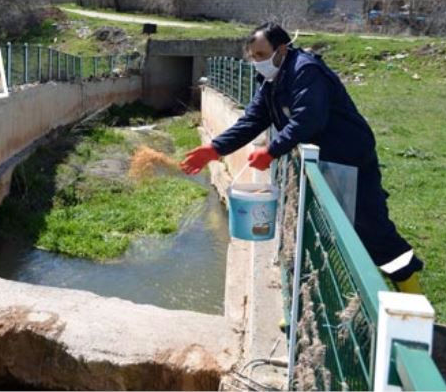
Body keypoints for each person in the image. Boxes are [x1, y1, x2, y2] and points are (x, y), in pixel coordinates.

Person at [180, 22, 424, 293]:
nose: (257, 62)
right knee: (321, 228)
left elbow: (308, 119)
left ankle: (410, 290)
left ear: (282, 49)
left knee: (371, 227)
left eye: (261, 55)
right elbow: (252, 120)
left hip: (349, 158)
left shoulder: (305, 70)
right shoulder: (272, 81)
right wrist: (215, 149)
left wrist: (272, 151)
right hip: (322, 162)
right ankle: (319, 295)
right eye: (253, 56)